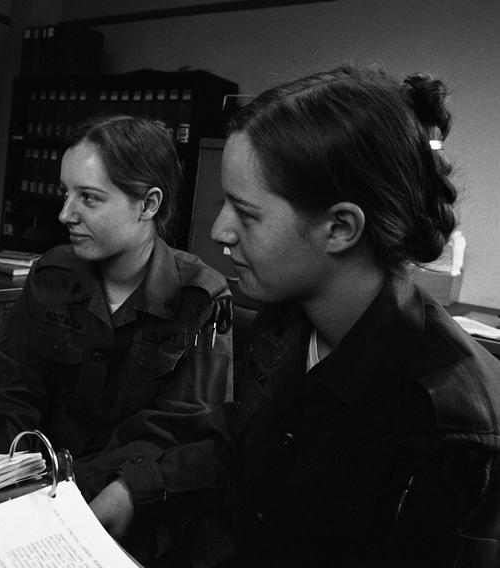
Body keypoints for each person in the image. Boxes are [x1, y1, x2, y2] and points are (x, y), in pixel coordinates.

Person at [90, 66, 500, 567]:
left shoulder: (447, 420)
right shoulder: (286, 315)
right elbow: (248, 438)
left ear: (340, 228)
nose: (220, 230)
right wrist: (140, 487)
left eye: (247, 212)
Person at [0, 115, 234, 553]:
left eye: (90, 199)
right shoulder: (51, 275)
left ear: (149, 204)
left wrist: (90, 487)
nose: (65, 214)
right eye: (66, 193)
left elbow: (186, 433)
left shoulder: (200, 297)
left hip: (131, 509)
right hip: (30, 494)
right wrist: (15, 476)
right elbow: (11, 393)